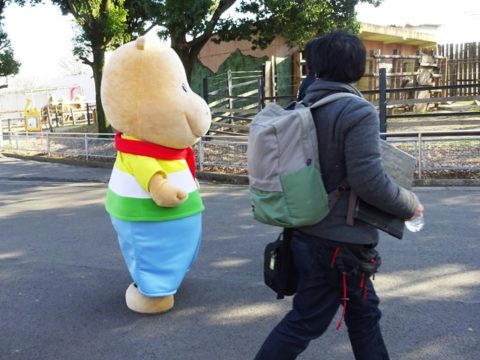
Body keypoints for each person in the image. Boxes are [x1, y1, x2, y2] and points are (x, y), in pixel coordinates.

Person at [254, 30, 424, 360]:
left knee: (363, 315)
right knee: (306, 322)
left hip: (305, 232)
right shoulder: (356, 112)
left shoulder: (303, 105)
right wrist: (409, 204)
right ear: (357, 66)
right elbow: (369, 181)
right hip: (338, 245)